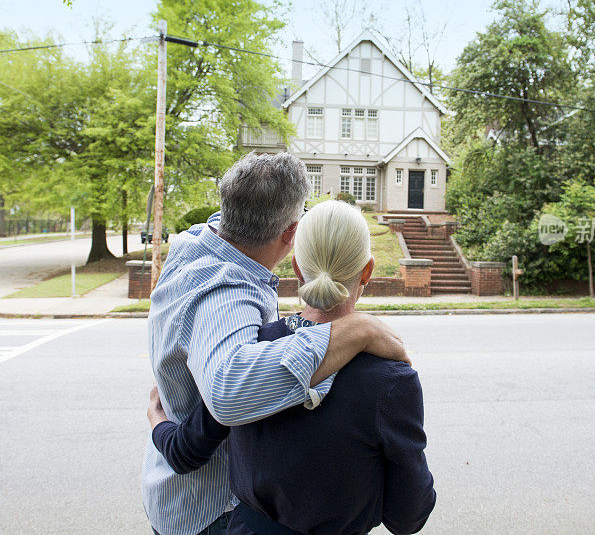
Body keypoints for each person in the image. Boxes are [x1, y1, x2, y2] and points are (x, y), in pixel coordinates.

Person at [141, 153, 409, 535]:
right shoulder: (226, 292)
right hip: (208, 511)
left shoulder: (201, 243)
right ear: (291, 233)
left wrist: (158, 424)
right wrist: (355, 331)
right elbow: (227, 395)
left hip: (173, 485)